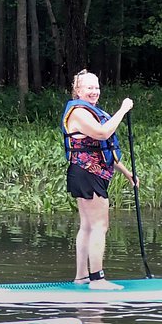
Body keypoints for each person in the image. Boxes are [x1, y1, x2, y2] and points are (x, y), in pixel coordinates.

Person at [60, 70, 136, 290]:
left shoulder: (90, 110)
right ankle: (97, 280)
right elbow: (103, 133)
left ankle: (82, 277)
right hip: (87, 173)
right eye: (89, 88)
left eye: (96, 87)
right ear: (78, 90)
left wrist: (127, 172)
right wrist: (122, 110)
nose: (94, 92)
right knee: (99, 226)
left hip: (88, 173)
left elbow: (102, 149)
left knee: (87, 226)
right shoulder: (78, 113)